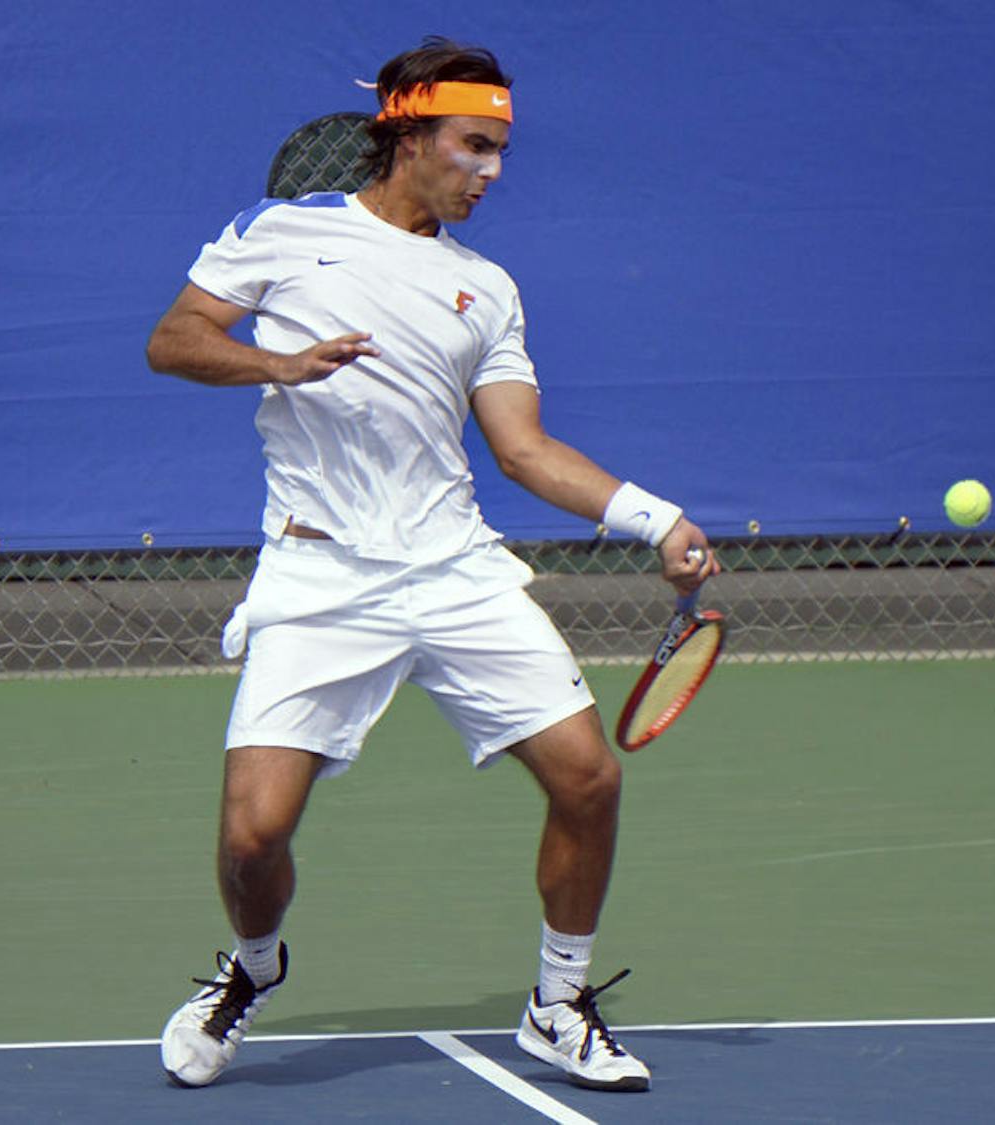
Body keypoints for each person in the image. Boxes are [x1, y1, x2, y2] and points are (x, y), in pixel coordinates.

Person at [145, 36, 719, 1094]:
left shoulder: (486, 287)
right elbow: (174, 340)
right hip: (320, 577)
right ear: (406, 133)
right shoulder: (280, 234)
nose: (491, 171)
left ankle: (558, 1004)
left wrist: (658, 519)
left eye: (500, 150)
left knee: (589, 779)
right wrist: (278, 362)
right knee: (252, 835)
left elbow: (525, 450)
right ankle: (254, 970)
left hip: (454, 569)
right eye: (473, 146)